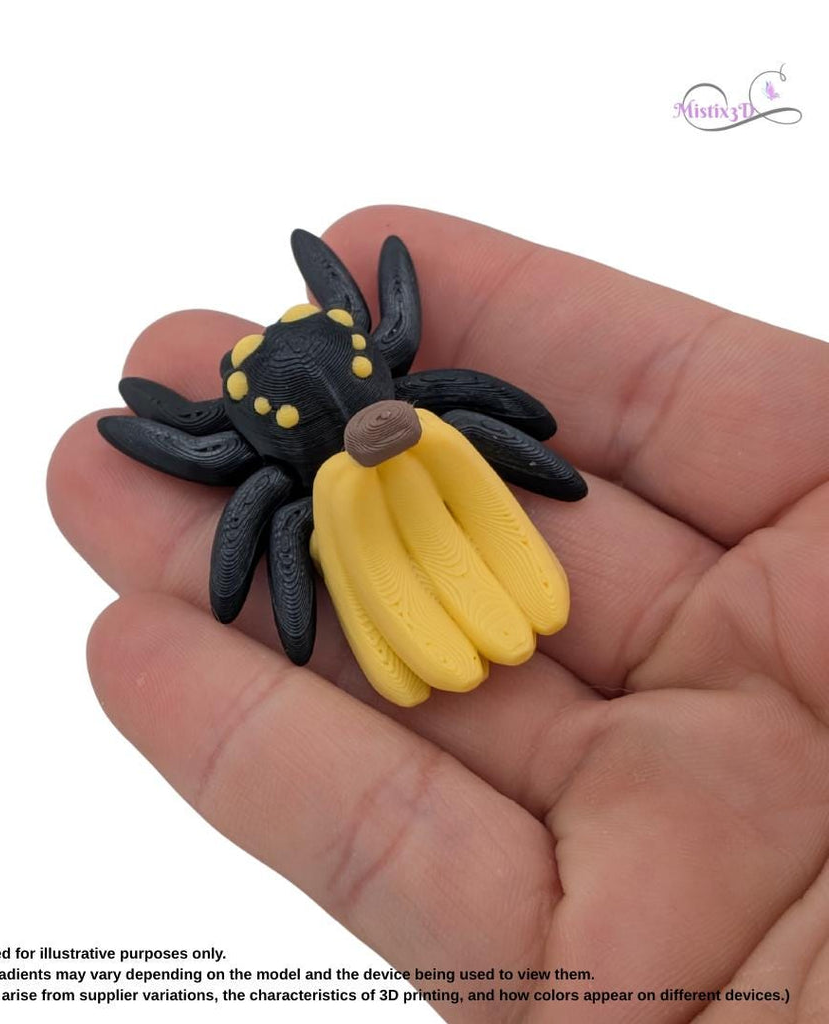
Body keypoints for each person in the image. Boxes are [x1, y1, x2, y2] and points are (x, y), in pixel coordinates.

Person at [47, 206, 829, 1021]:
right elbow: (256, 496)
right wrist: (539, 463)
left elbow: (217, 470)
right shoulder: (342, 455)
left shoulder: (375, 439)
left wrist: (539, 465)